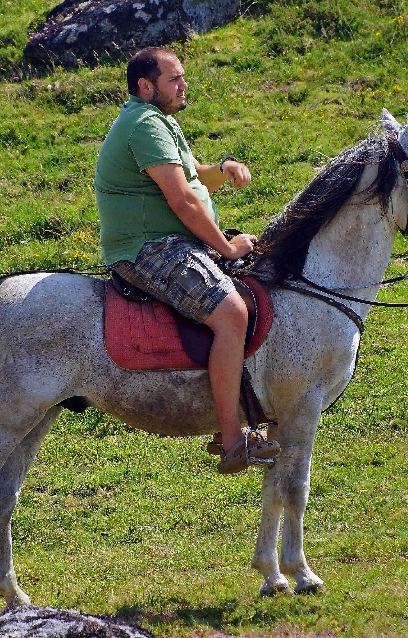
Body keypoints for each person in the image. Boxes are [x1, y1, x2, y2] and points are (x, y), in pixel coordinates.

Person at [94, 47, 279, 474]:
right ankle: (232, 441)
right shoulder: (143, 125)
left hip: (175, 242)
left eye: (183, 77)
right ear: (145, 85)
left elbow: (193, 175)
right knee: (231, 314)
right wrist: (229, 249)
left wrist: (224, 167)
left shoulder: (161, 122)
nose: (184, 85)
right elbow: (183, 202)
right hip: (149, 249)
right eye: (174, 78)